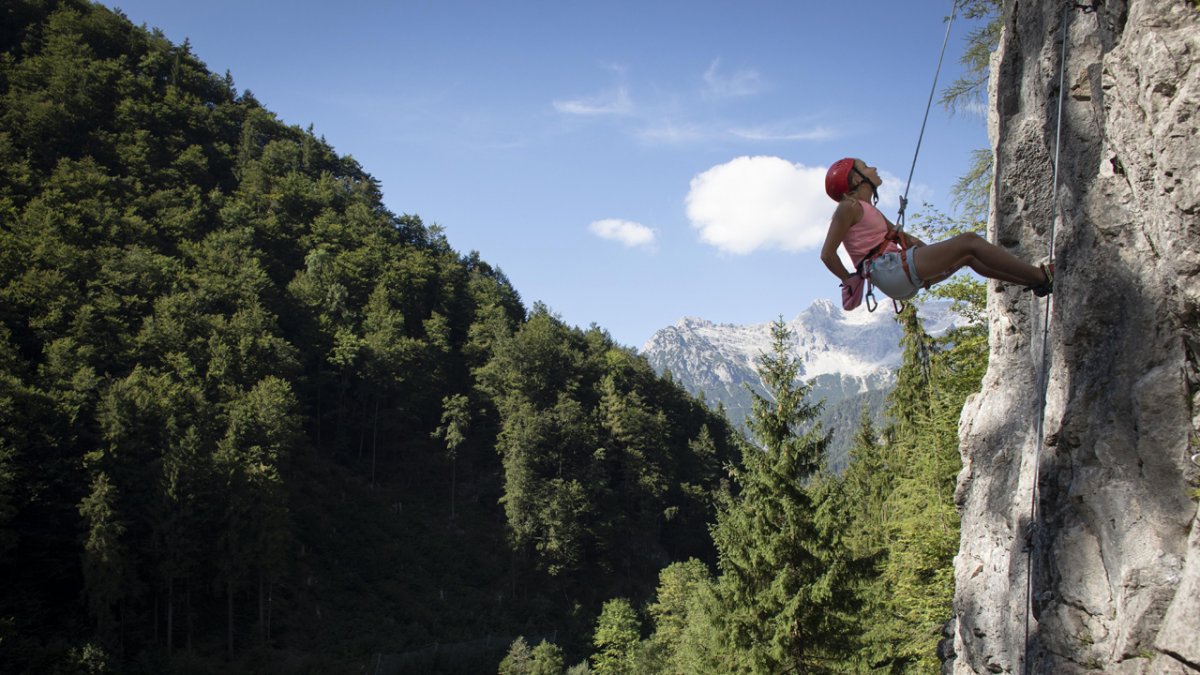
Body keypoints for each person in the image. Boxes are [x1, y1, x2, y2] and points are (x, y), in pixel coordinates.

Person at [820, 157, 1053, 305]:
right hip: (890, 269)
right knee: (969, 241)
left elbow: (907, 239)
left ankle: (1035, 282)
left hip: (895, 275)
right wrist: (848, 279)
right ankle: (1040, 275)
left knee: (967, 257)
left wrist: (933, 257)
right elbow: (827, 254)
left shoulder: (869, 211)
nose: (873, 168)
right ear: (855, 180)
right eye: (864, 167)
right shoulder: (848, 207)